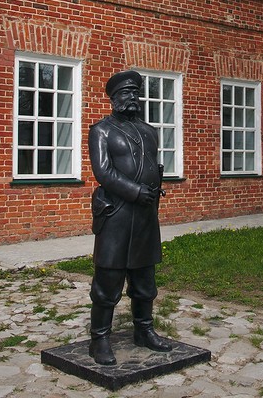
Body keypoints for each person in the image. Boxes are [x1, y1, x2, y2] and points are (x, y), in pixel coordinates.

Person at [88, 69, 172, 366]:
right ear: (114, 98)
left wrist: (151, 192)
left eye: (135, 93)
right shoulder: (101, 130)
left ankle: (144, 330)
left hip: (146, 215)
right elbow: (103, 172)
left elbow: (153, 164)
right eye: (126, 93)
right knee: (108, 280)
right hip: (117, 213)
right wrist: (135, 191)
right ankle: (99, 338)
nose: (132, 98)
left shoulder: (149, 131)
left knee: (145, 279)